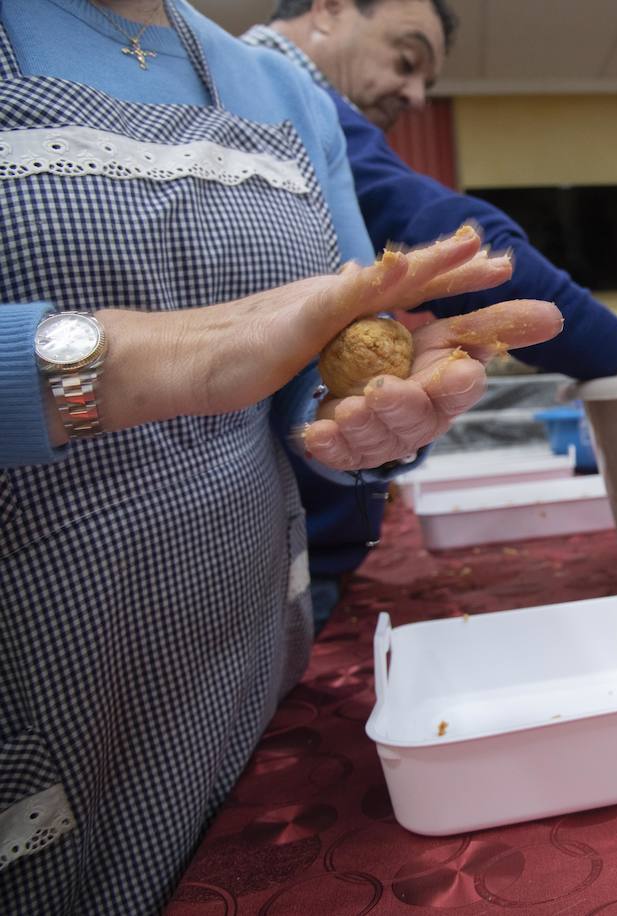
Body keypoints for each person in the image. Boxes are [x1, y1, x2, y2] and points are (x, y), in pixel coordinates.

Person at [0, 2, 559, 912]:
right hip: (41, 701)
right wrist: (147, 363)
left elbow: (325, 342)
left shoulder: (283, 91)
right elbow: (240, 344)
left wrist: (357, 418)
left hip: (251, 664)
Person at [242, 0, 617, 624]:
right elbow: (432, 225)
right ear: (329, 8)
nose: (414, 96)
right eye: (406, 58)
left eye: (426, 81)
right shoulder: (269, 87)